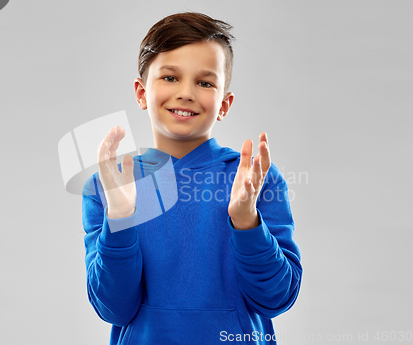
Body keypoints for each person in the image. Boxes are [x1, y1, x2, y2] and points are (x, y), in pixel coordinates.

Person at [82, 11, 302, 345]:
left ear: (224, 104)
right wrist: (120, 217)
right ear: (141, 93)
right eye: (170, 77)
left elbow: (277, 297)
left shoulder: (256, 181)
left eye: (205, 82)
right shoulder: (109, 185)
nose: (186, 92)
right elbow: (114, 308)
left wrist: (246, 222)